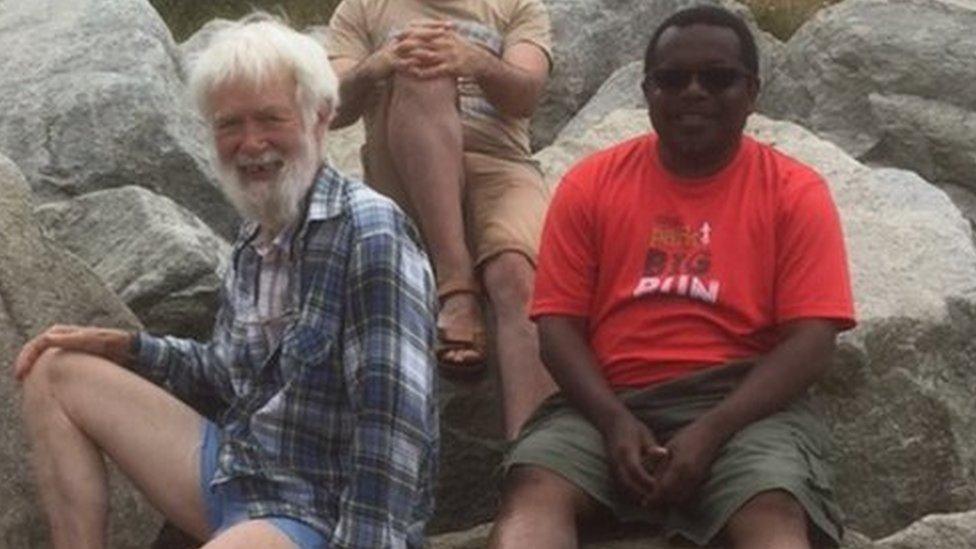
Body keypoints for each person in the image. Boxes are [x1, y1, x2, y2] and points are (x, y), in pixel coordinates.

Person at [12, 14, 438, 549]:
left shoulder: (370, 232)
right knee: (55, 371)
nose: (250, 143)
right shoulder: (255, 234)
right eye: (229, 125)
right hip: (237, 474)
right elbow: (225, 378)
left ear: (321, 118)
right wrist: (127, 347)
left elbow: (394, 424)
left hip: (320, 513)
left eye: (269, 119)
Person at [489, 6, 856, 548]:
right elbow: (558, 326)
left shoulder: (795, 193)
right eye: (671, 78)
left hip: (746, 404)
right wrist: (613, 421)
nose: (693, 92)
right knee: (534, 486)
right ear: (646, 90)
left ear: (752, 91)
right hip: (607, 400)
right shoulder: (590, 184)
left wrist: (712, 430)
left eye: (718, 78)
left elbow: (812, 341)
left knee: (772, 506)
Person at [325, 0, 557, 438]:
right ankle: (456, 289)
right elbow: (330, 109)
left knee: (518, 276)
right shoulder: (360, 8)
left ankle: (536, 472)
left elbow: (525, 96)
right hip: (403, 168)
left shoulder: (518, 6)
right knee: (420, 66)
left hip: (500, 163)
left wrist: (474, 61)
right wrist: (378, 66)